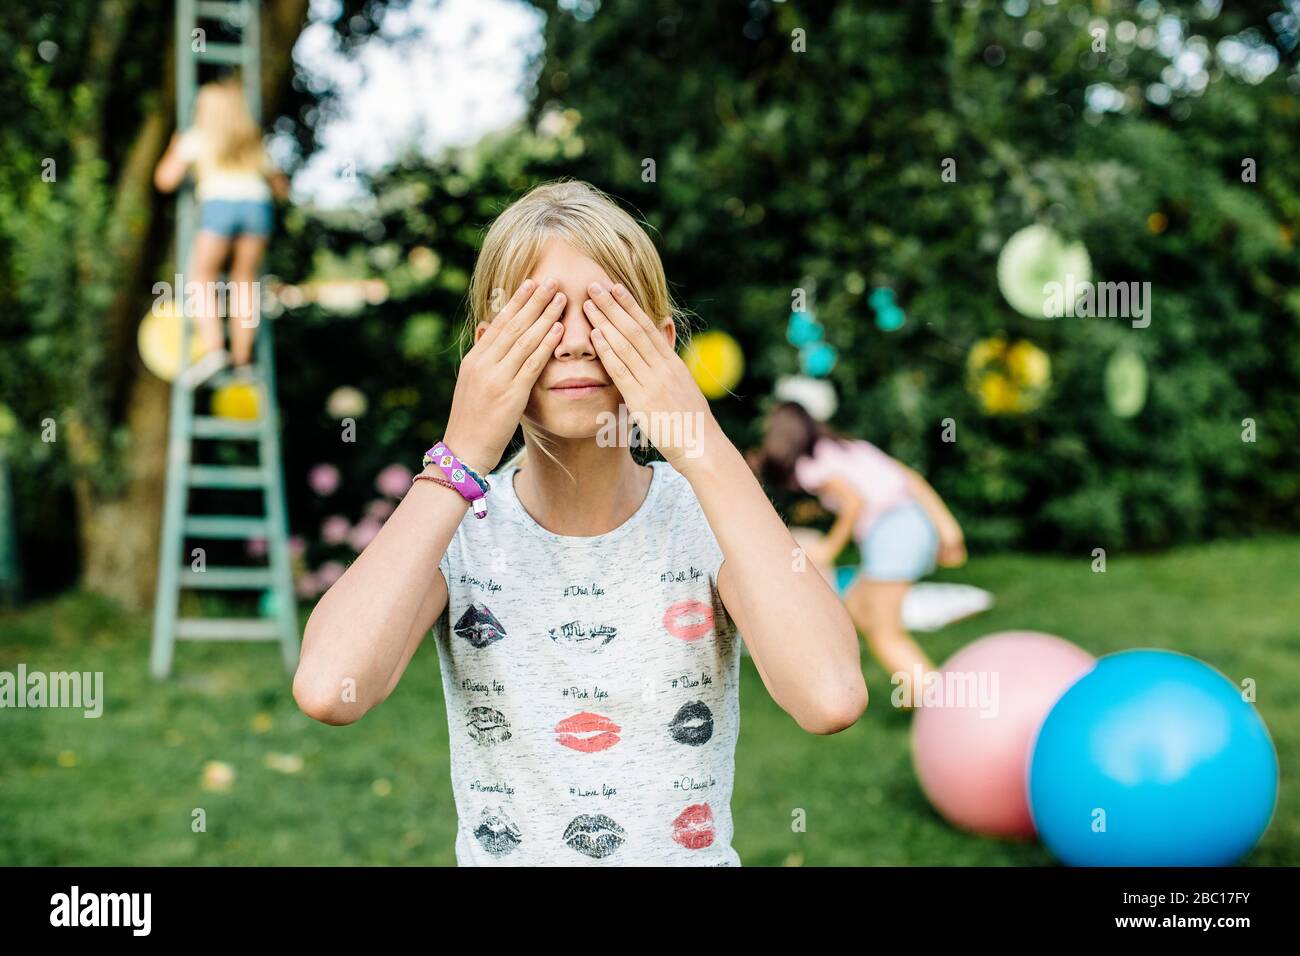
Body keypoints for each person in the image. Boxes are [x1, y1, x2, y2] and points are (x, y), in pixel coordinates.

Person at [293, 180, 867, 866]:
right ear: (486, 353)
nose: (570, 343)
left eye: (601, 313)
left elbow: (830, 697)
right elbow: (331, 687)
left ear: (659, 343)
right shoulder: (456, 526)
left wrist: (699, 440)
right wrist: (460, 455)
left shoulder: (708, 517)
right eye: (539, 315)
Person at [752, 402, 967, 697]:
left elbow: (854, 503)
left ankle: (940, 700)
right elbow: (911, 480)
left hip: (893, 533)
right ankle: (914, 685)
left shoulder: (809, 465)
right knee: (856, 607)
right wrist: (947, 530)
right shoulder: (850, 448)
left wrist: (829, 548)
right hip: (913, 522)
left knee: (884, 633)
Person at [153, 77, 289, 387]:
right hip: (257, 205)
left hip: (220, 205)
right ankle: (242, 361)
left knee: (201, 276)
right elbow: (281, 186)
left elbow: (164, 180)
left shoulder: (197, 137)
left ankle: (214, 349)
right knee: (244, 282)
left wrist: (176, 148)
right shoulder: (252, 142)